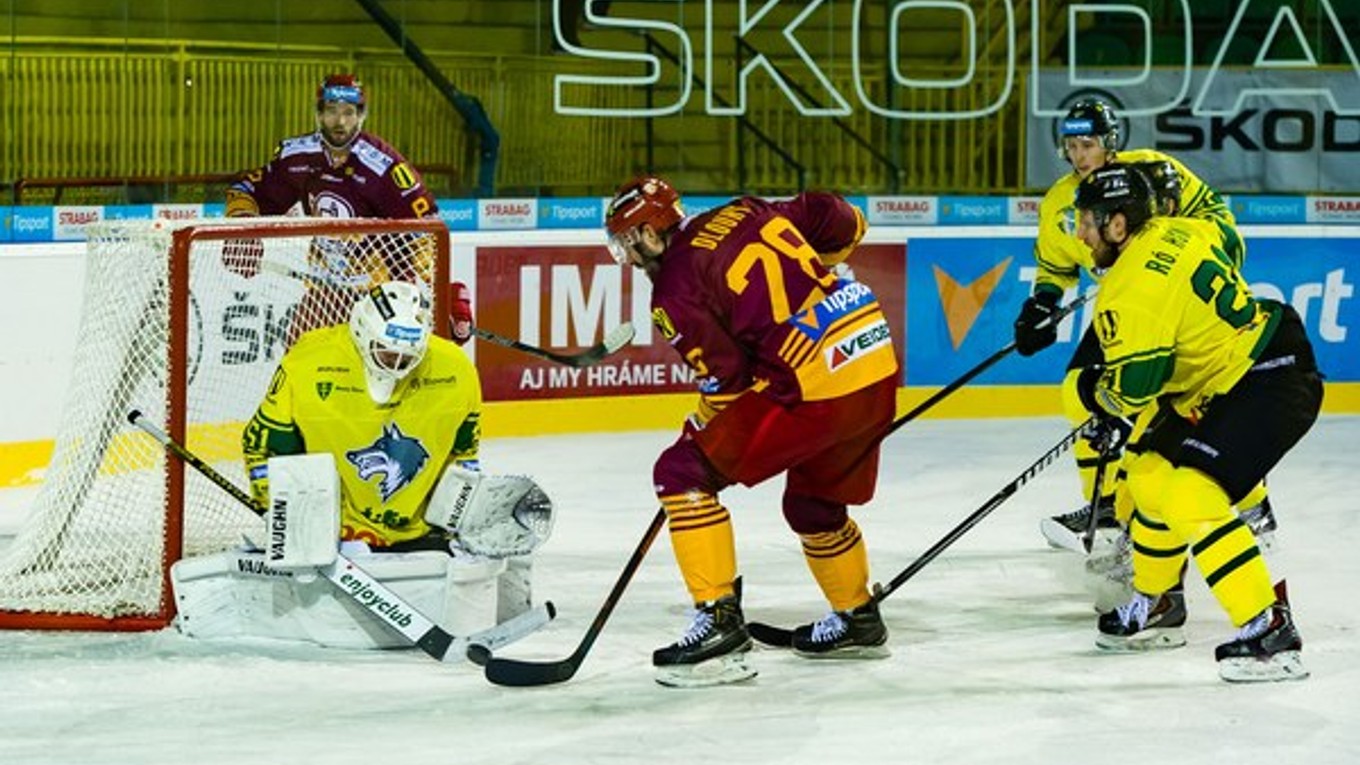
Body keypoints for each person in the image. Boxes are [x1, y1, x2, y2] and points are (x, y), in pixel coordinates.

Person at [604, 176, 901, 687]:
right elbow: (841, 219)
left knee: (681, 473)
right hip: (873, 360)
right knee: (813, 504)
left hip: (815, 386)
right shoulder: (744, 209)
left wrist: (698, 429)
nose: (627, 258)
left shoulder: (674, 287)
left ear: (650, 235)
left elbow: (729, 385)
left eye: (628, 244)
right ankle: (858, 617)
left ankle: (719, 624)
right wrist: (818, 275)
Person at [1071, 164, 1321, 682]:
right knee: (1146, 473)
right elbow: (1229, 242)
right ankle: (1159, 601)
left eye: (1088, 222)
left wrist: (1093, 393)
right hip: (1224, 375)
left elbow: (1135, 389)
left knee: (1190, 492)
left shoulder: (1129, 292)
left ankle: (1268, 628)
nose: (1080, 234)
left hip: (1268, 375)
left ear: (1118, 225)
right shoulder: (1180, 227)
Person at [1014, 97, 1273, 553]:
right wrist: (1043, 304)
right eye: (1071, 146)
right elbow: (1055, 266)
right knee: (1085, 396)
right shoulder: (1059, 203)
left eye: (1088, 145)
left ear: (1110, 142)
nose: (1079, 155)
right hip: (1127, 312)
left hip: (1175, 306)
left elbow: (1220, 224)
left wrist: (1174, 260)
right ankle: (1106, 508)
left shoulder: (1152, 171)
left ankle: (1253, 505)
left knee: (1183, 411)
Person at [241, 280, 535, 622]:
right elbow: (262, 447)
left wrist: (460, 516)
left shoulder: (456, 369)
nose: (396, 365)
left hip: (418, 534)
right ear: (363, 334)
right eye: (387, 353)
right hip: (332, 537)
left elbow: (464, 455)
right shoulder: (308, 362)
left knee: (504, 543)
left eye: (407, 357)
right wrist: (281, 510)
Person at [223, 73, 474, 345]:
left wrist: (446, 294)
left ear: (361, 116)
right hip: (325, 289)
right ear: (319, 113)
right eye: (331, 111)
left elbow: (426, 231)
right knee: (301, 357)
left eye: (348, 112)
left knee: (384, 366)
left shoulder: (385, 167)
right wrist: (242, 229)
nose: (340, 122)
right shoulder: (296, 157)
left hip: (381, 294)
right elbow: (247, 190)